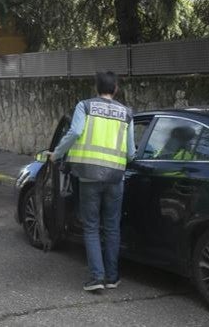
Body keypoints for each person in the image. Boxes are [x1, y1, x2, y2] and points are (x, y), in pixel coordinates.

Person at [48, 71, 135, 292]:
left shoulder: (84, 106)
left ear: (96, 88)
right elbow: (131, 153)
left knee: (91, 227)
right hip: (115, 177)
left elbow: (75, 131)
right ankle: (113, 278)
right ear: (115, 89)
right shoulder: (126, 113)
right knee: (112, 227)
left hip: (88, 176)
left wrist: (57, 154)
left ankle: (97, 278)